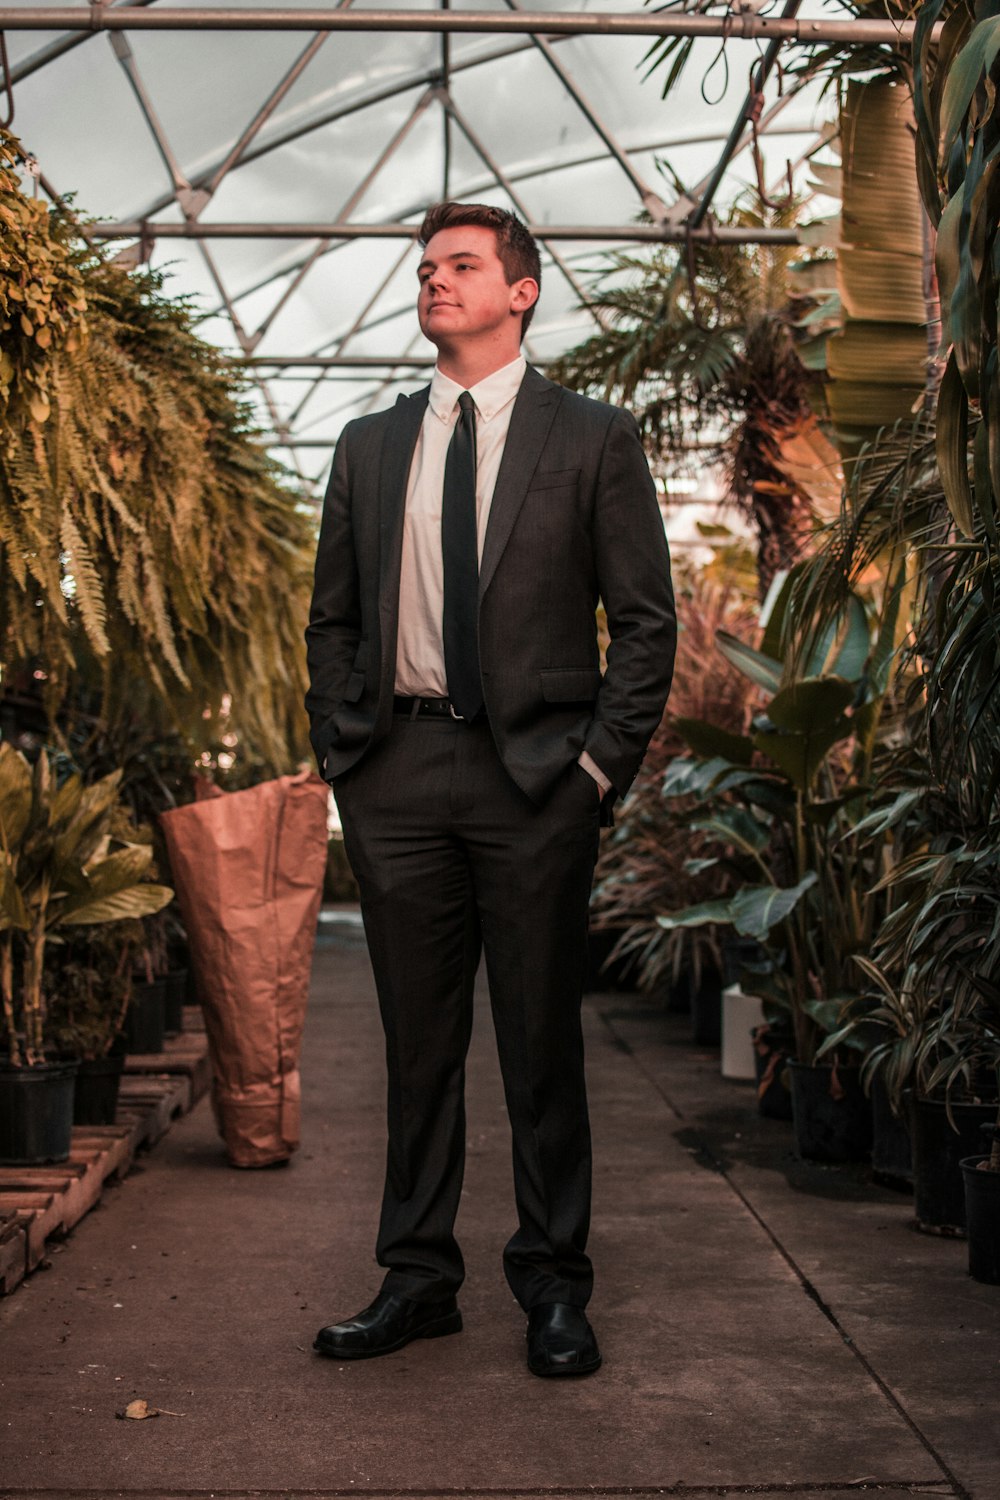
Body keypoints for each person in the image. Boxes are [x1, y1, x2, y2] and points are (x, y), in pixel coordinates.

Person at [305, 201, 676, 1378]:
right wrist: (346, 754)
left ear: (521, 291)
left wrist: (592, 773)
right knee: (416, 1049)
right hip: (397, 772)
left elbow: (646, 626)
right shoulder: (369, 445)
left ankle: (554, 1288)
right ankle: (416, 1281)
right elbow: (333, 621)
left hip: (535, 780)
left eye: (460, 266)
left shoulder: (592, 439)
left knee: (537, 1046)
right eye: (424, 268)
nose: (434, 282)